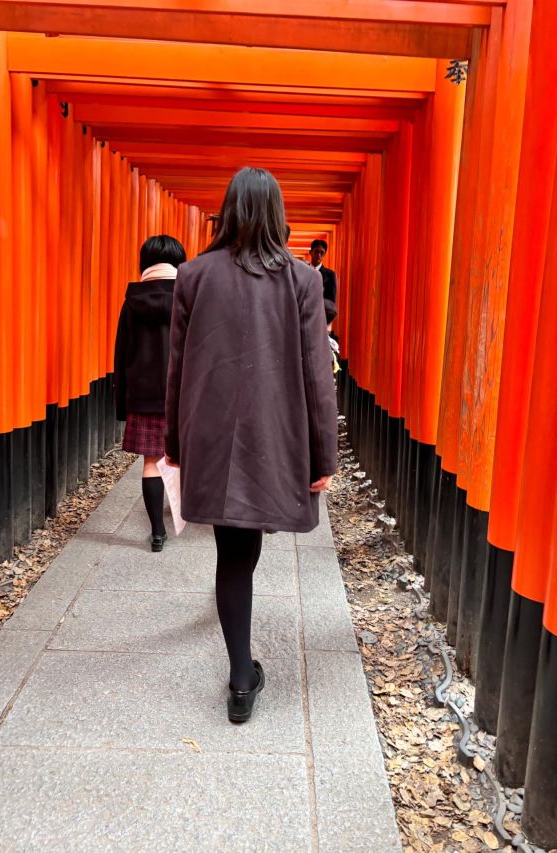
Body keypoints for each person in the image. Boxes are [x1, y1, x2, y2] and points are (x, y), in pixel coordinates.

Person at [165, 167, 338, 723]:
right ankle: (241, 677)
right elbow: (317, 374)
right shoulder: (303, 281)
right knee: (245, 546)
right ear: (279, 215)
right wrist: (323, 455)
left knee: (232, 551)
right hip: (275, 433)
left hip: (212, 433)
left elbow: (177, 369)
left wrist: (174, 442)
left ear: (229, 210)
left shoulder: (193, 276)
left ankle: (242, 677)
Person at [114, 235, 186, 553]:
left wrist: (122, 404)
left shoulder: (132, 301)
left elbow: (121, 354)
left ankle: (158, 533)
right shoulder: (189, 298)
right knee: (195, 458)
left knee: (151, 463)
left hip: (144, 394)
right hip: (185, 393)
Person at [309, 239, 338, 305]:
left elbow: (331, 302)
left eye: (322, 252)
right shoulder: (303, 271)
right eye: (316, 252)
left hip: (321, 313)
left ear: (324, 254)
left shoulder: (330, 275)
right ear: (310, 252)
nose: (319, 255)